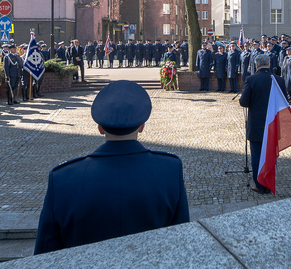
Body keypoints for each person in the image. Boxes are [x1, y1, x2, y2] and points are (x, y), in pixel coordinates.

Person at [34, 81, 189, 254]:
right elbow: (179, 244)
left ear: (100, 128)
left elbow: (44, 256)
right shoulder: (170, 170)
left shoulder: (62, 179)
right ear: (142, 126)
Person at [239, 52, 287, 193]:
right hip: (273, 123)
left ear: (256, 65)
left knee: (257, 155)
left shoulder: (251, 79)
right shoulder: (279, 80)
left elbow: (244, 102)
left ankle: (260, 185)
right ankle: (270, 182)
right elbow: (284, 102)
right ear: (269, 64)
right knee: (270, 154)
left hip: (256, 124)